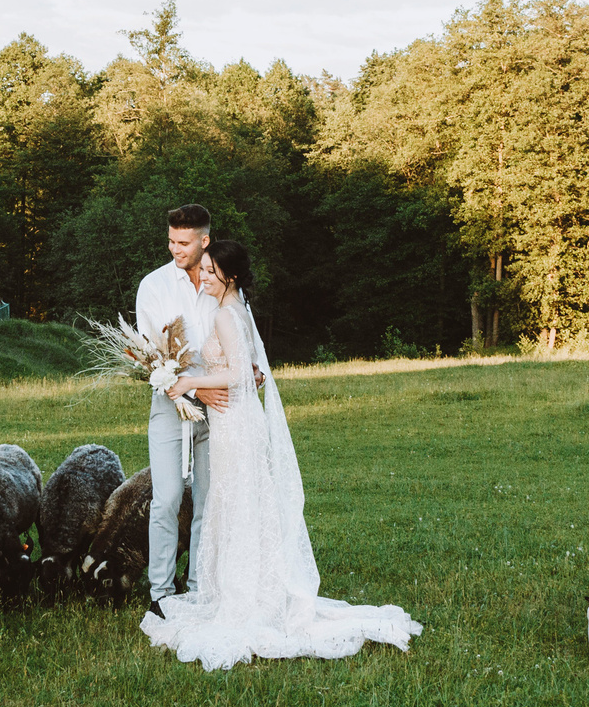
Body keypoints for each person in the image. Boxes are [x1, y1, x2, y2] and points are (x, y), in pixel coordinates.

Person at [141, 237, 422, 671]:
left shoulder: (224, 314)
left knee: (237, 503)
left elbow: (236, 373)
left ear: (229, 277)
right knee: (238, 503)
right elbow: (248, 368)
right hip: (237, 421)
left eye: (212, 272)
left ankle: (248, 596)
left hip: (235, 424)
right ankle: (245, 586)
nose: (204, 278)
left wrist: (187, 384)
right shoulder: (239, 309)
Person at [136, 203, 220, 603]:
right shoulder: (153, 285)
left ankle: (200, 587)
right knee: (166, 499)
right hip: (170, 407)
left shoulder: (221, 283)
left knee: (208, 500)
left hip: (220, 409)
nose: (175, 249)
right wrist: (195, 390)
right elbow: (153, 357)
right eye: (171, 240)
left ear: (205, 240)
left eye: (183, 242)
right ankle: (161, 594)